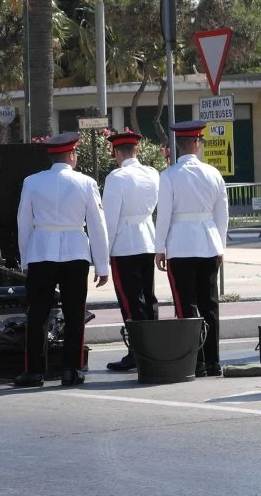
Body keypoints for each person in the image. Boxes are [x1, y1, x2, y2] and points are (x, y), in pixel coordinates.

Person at [14, 132, 110, 388]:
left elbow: (23, 224)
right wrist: (102, 264)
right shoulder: (86, 183)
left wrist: (26, 259)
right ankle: (71, 370)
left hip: (41, 251)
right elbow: (97, 225)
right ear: (71, 155)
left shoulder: (32, 182)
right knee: (75, 313)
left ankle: (34, 372)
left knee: (37, 313)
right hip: (75, 252)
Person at [154, 121, 230, 377]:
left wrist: (159, 248)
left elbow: (163, 215)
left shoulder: (169, 175)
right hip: (208, 243)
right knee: (210, 304)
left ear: (178, 145)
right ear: (197, 143)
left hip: (180, 245)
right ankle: (213, 361)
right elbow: (223, 214)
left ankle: (194, 361)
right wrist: (221, 246)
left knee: (186, 305)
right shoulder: (213, 173)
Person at [102, 130, 160, 372]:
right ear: (137, 150)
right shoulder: (153, 174)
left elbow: (110, 220)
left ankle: (137, 352)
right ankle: (154, 349)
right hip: (148, 238)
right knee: (149, 298)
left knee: (131, 301)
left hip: (124, 243)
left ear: (116, 152)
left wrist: (103, 253)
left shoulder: (117, 177)